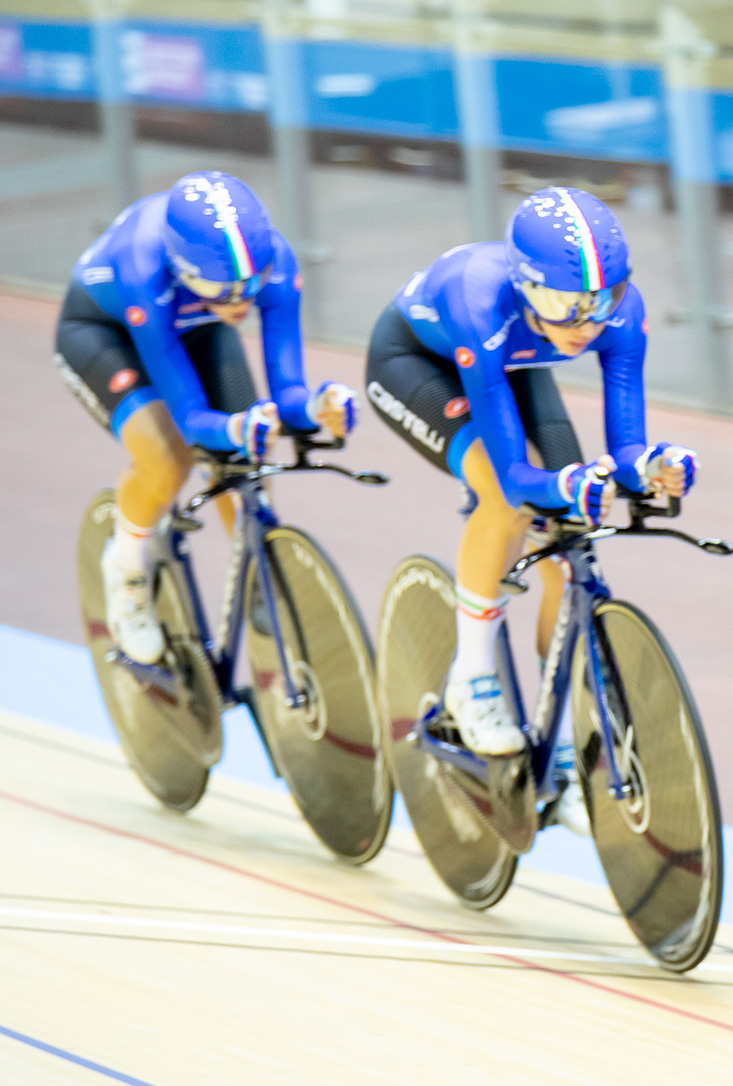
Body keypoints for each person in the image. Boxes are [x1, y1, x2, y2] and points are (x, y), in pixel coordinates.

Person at [365, 187, 697, 834]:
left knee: (572, 543)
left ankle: (562, 748)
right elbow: (520, 478)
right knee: (504, 497)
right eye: (567, 305)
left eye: (603, 302)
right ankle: (475, 677)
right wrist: (558, 485)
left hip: (513, 363)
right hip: (422, 363)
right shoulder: (477, 299)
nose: (585, 322)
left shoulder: (618, 315)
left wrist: (649, 467)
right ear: (524, 288)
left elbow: (624, 448)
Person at [56, 170, 357, 664]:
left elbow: (287, 392)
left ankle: (256, 570)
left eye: (250, 288)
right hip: (107, 334)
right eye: (223, 289)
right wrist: (232, 426)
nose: (240, 303)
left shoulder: (272, 262)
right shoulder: (143, 267)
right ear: (182, 268)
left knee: (247, 454)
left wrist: (316, 405)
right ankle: (126, 569)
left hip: (196, 322)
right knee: (167, 457)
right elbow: (192, 417)